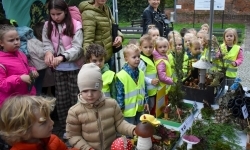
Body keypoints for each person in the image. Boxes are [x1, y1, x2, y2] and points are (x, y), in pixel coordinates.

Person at [66, 63, 136, 150]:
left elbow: (120, 123)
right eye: (85, 91)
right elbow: (73, 136)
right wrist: (87, 148)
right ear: (80, 90)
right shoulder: (74, 112)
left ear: (100, 87)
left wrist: (133, 130)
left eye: (94, 90)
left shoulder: (112, 104)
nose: (90, 94)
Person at [42, 0, 83, 134]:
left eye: (58, 14)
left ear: (65, 11)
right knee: (62, 100)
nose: (56, 17)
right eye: (52, 14)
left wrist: (62, 56)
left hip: (74, 67)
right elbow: (46, 42)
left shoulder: (75, 24)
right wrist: (48, 52)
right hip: (58, 69)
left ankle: (79, 127)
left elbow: (78, 48)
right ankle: (67, 128)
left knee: (76, 98)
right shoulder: (47, 25)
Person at [0, 95, 78, 150]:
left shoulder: (53, 140)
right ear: (22, 131)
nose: (52, 123)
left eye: (49, 117)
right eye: (44, 122)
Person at [0, 25, 38, 106]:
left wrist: (32, 71)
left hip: (26, 97)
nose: (16, 42)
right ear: (1, 43)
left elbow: (27, 68)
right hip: (11, 104)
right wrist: (19, 78)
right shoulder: (1, 61)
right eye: (11, 40)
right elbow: (1, 85)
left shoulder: (21, 54)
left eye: (17, 39)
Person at [79, 0, 123, 66]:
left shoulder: (106, 8)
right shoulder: (88, 14)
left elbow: (113, 26)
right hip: (98, 61)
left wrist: (120, 36)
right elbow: (87, 41)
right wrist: (89, 64)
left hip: (109, 55)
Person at [116, 44, 149, 125]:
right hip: (128, 111)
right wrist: (120, 108)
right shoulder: (121, 75)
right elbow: (120, 94)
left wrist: (146, 102)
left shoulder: (141, 73)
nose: (137, 59)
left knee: (140, 127)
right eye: (134, 57)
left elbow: (144, 88)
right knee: (129, 131)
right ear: (126, 59)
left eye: (139, 56)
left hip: (139, 108)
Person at [138, 34, 159, 115]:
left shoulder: (152, 57)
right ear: (140, 47)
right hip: (146, 92)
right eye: (145, 47)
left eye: (150, 47)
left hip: (153, 90)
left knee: (152, 107)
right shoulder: (142, 61)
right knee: (147, 110)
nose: (148, 50)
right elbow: (140, 76)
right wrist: (150, 81)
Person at [28, 22, 47, 95]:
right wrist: (49, 51)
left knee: (38, 85)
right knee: (37, 86)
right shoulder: (34, 42)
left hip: (39, 68)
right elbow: (41, 54)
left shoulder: (32, 41)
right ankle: (37, 98)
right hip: (37, 68)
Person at [152, 37, 173, 104]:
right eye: (160, 47)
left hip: (164, 87)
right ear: (156, 48)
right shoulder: (161, 61)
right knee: (162, 105)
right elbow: (162, 77)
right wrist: (171, 81)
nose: (163, 49)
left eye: (165, 47)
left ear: (168, 47)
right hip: (162, 87)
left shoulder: (164, 57)